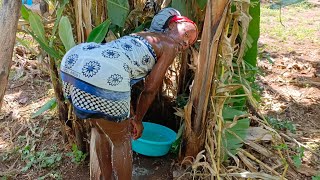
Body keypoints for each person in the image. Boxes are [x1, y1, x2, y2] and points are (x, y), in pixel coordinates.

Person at [60, 9, 198, 180]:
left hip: (74, 64)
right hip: (102, 74)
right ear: (172, 25)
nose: (185, 44)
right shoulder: (168, 44)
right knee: (122, 140)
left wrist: (131, 113)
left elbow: (124, 77)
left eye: (190, 43)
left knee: (102, 131)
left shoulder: (139, 36)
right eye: (187, 34)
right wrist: (138, 120)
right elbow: (150, 89)